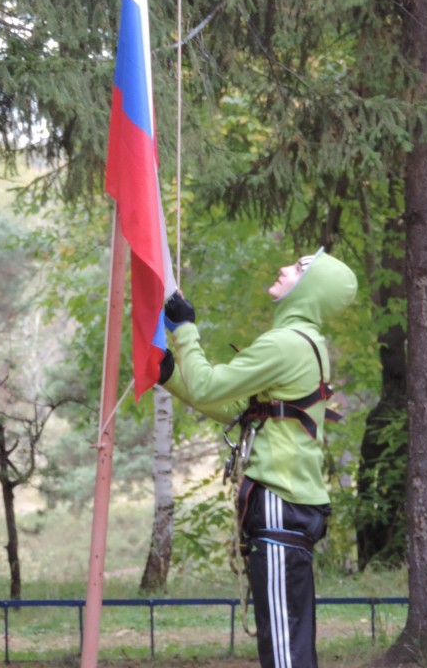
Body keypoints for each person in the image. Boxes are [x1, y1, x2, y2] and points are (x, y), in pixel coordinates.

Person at [158, 248, 358, 668]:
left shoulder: (285, 344)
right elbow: (240, 410)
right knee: (287, 642)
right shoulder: (306, 343)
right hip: (290, 503)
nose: (285, 268)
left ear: (312, 290)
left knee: (284, 649)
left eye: (299, 268)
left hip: (279, 503)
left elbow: (209, 386)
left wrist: (185, 329)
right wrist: (171, 375)